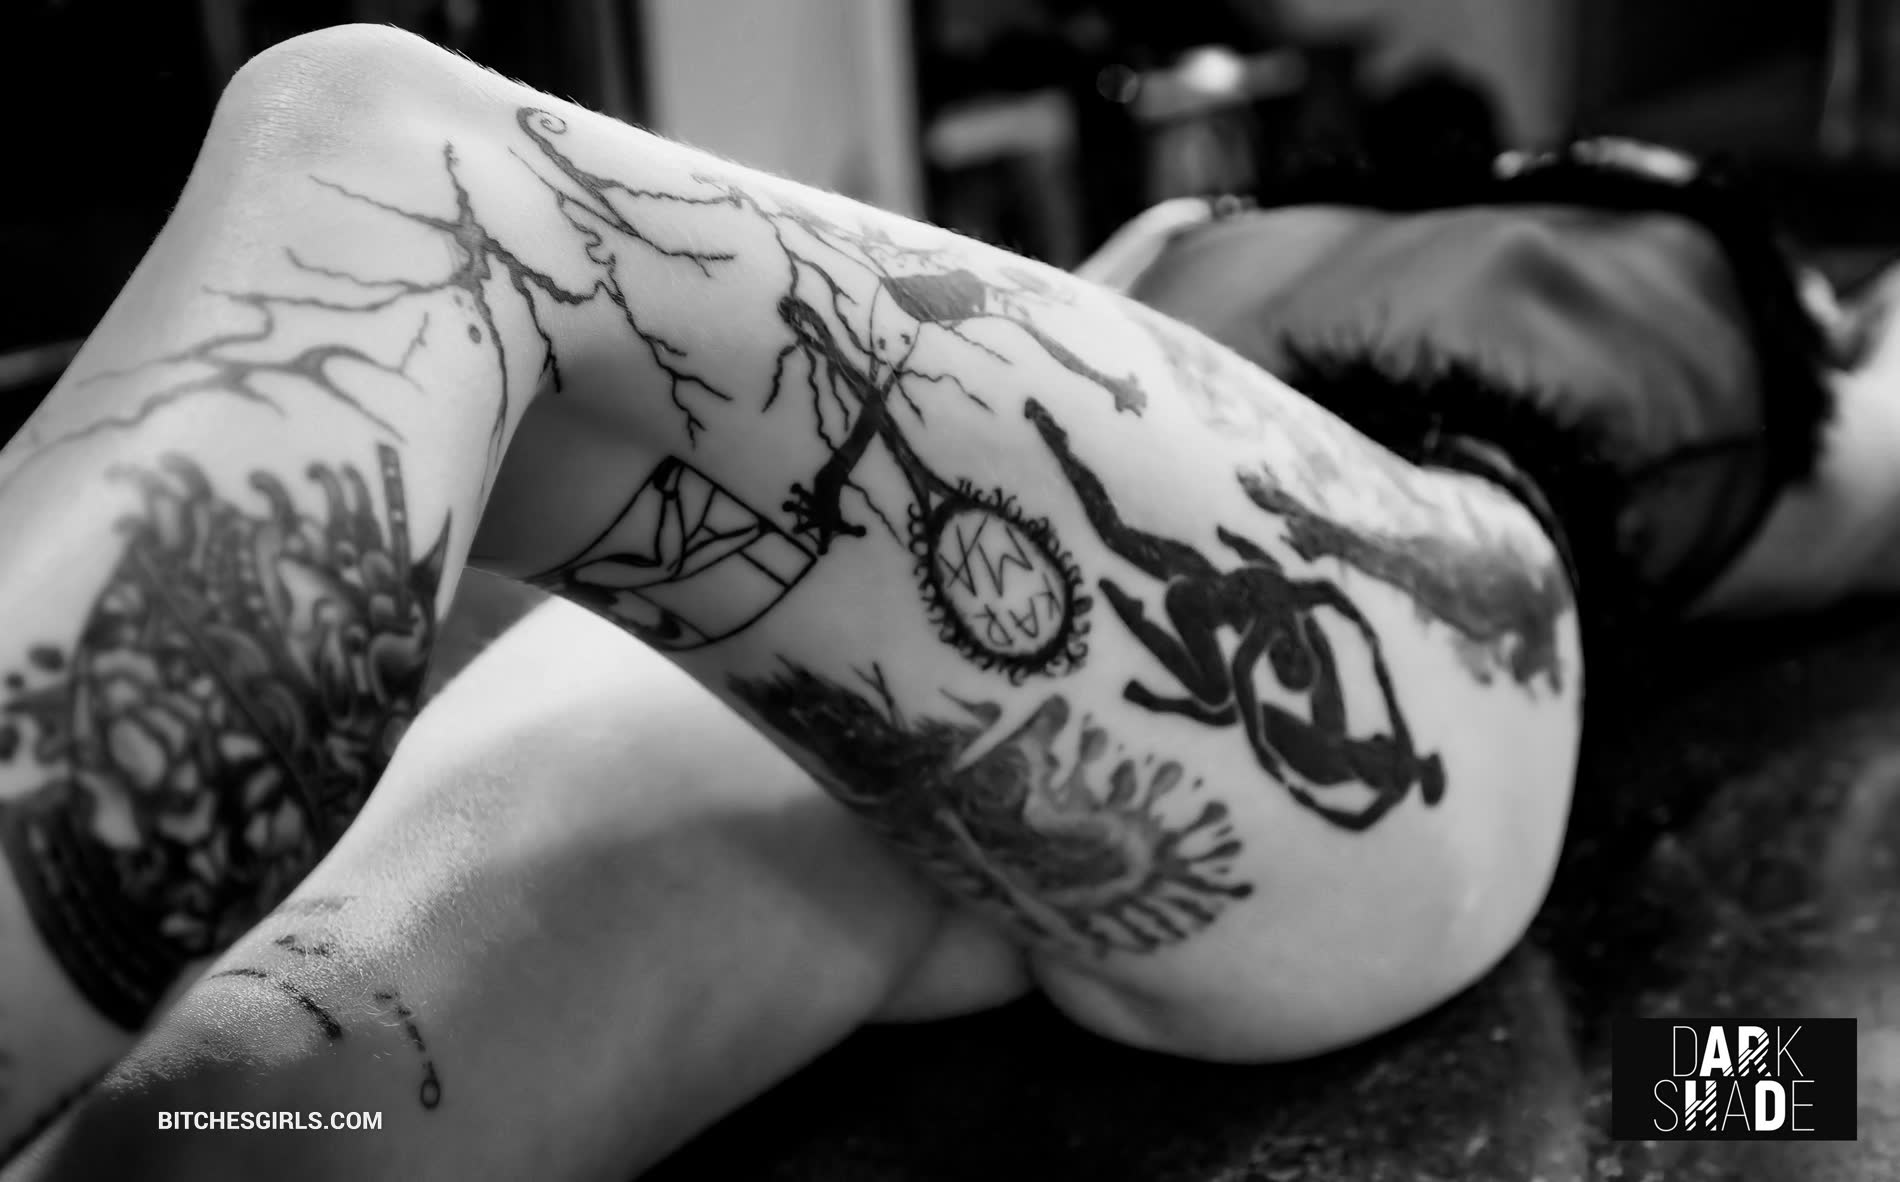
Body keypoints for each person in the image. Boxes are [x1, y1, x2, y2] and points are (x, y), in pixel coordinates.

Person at [1, 23, 1895, 1179]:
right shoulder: (1197, 246)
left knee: (398, 161)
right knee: (231, 1109)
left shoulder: (1812, 351)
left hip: (1374, 642)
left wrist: (1760, 1097)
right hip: (905, 621)